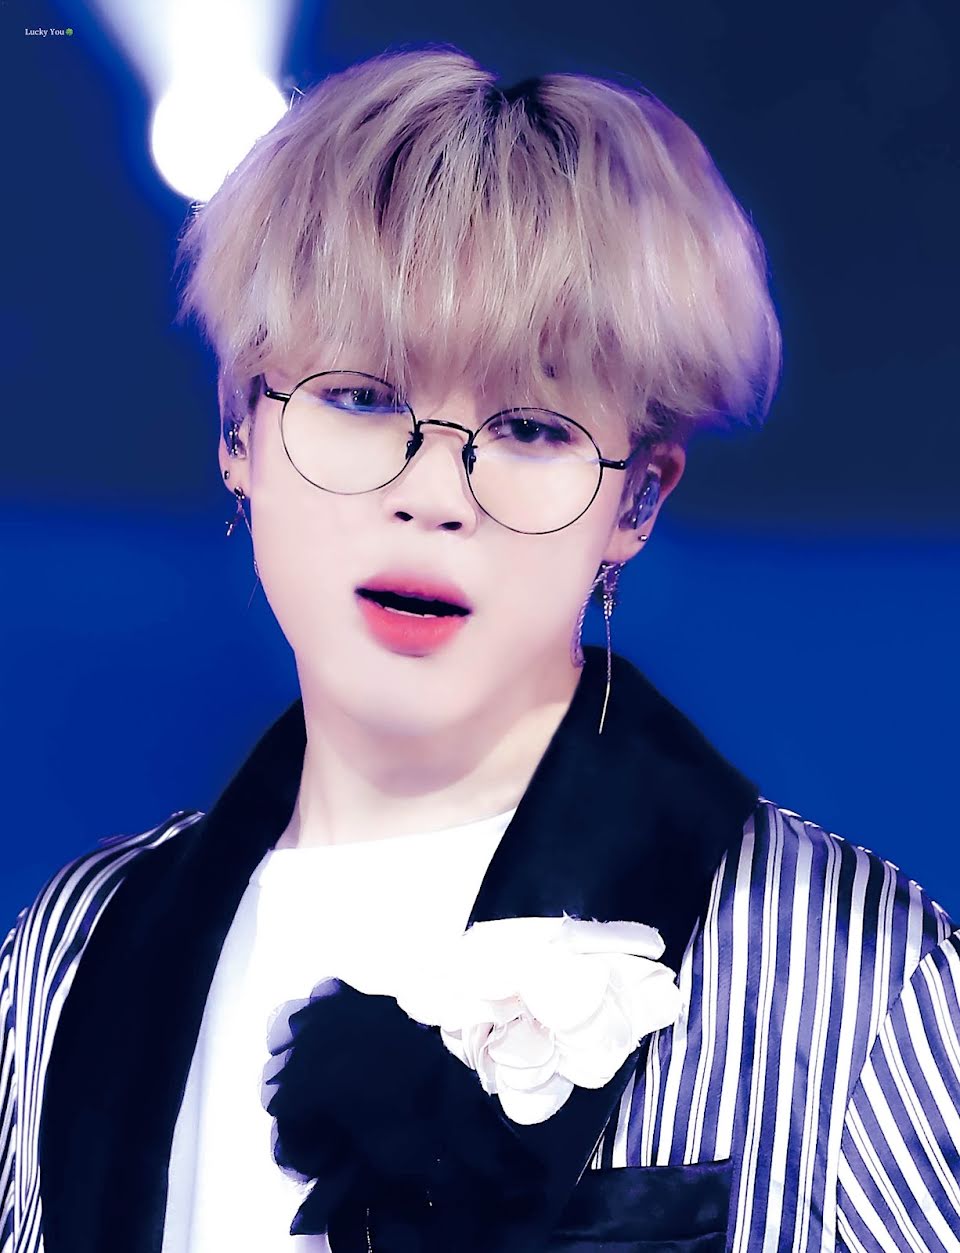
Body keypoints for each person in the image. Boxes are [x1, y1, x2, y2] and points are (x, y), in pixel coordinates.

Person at [2, 45, 959, 1253]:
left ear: (637, 498)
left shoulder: (856, 979)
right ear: (240, 430)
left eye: (529, 425)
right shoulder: (69, 955)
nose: (433, 493)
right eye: (361, 396)